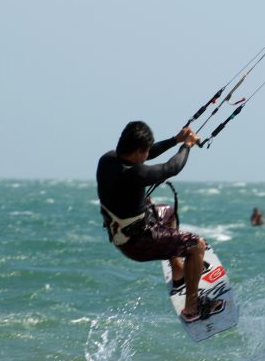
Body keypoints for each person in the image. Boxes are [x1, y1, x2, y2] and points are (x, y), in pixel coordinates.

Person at [96, 121, 224, 323]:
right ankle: (192, 308)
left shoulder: (108, 160)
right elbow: (171, 168)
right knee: (196, 246)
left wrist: (175, 140)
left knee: (169, 213)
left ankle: (179, 273)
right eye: (145, 151)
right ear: (138, 151)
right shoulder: (135, 174)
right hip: (137, 242)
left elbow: (150, 153)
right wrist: (187, 145)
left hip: (127, 229)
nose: (148, 155)